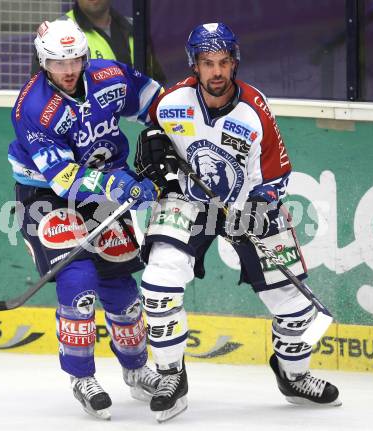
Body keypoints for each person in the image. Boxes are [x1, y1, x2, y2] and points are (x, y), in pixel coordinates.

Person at [134, 22, 341, 422]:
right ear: (195, 64)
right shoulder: (172, 102)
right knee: (159, 284)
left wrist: (261, 207)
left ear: (235, 63)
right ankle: (170, 376)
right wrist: (153, 151)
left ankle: (293, 375)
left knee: (296, 308)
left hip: (247, 205)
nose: (216, 72)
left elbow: (277, 172)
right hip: (187, 202)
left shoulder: (254, 108)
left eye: (224, 62)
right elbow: (154, 140)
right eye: (208, 62)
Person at [8, 18, 164, 420]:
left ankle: (136, 368)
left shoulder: (108, 75)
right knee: (78, 282)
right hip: (48, 195)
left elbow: (157, 103)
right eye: (60, 63)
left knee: (122, 289)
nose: (70, 69)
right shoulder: (34, 107)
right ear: (44, 63)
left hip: (108, 186)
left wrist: (172, 139)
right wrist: (116, 184)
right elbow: (63, 179)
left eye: (76, 58)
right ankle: (81, 377)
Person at [31, 0, 166, 84]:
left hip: (134, 121)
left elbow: (156, 81)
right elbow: (41, 92)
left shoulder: (135, 28)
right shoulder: (54, 35)